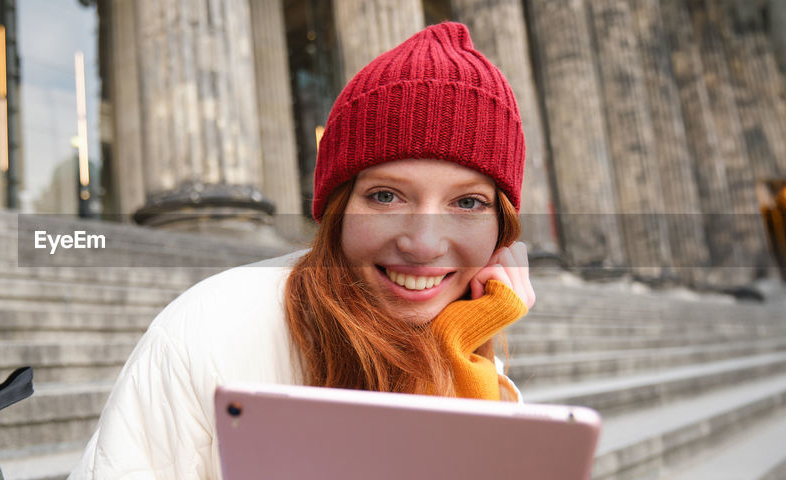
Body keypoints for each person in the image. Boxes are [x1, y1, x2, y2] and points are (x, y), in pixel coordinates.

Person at [69, 21, 535, 479]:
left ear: (502, 229)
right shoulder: (205, 332)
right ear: (337, 207)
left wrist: (459, 342)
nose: (423, 243)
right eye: (386, 196)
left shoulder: (464, 346)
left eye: (468, 202)